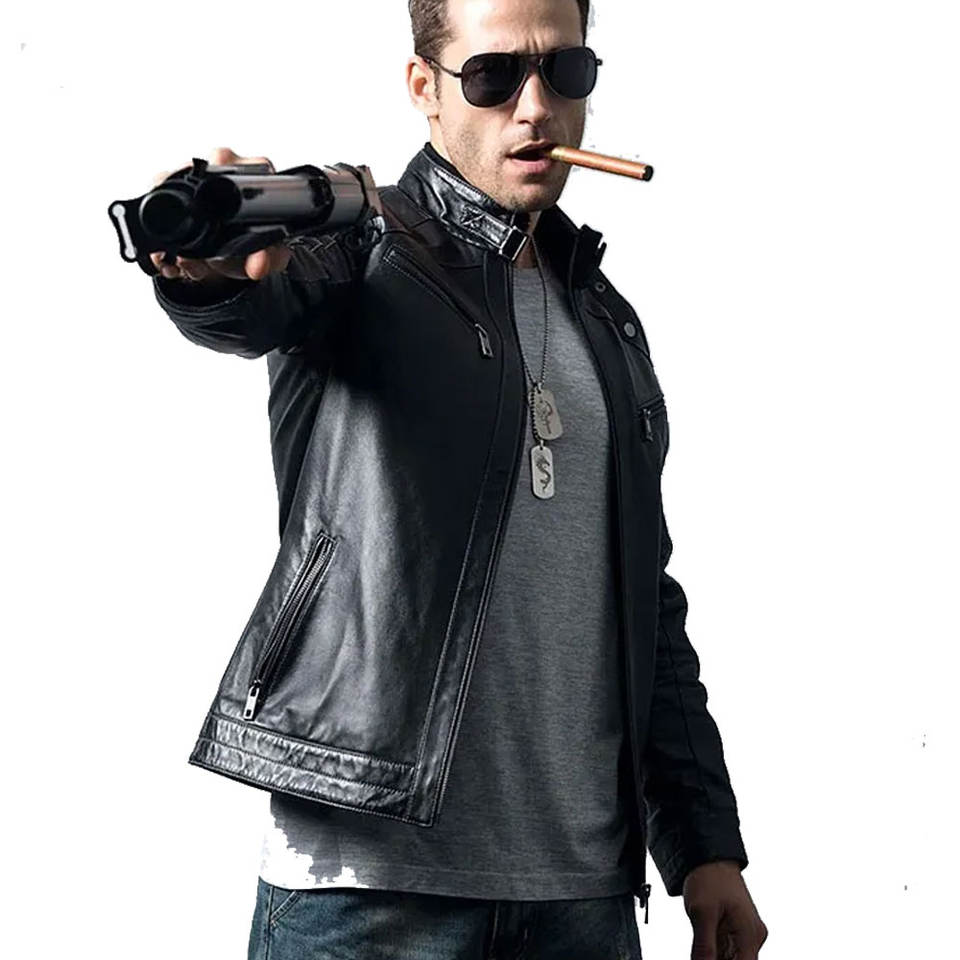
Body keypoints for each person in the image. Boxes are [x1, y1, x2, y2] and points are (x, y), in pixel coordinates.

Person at [148, 1, 768, 957]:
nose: (535, 107)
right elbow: (247, 304)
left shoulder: (605, 319)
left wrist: (703, 846)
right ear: (425, 89)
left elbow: (643, 600)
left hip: (583, 899)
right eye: (493, 76)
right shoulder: (354, 248)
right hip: (369, 898)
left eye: (565, 72)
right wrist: (202, 269)